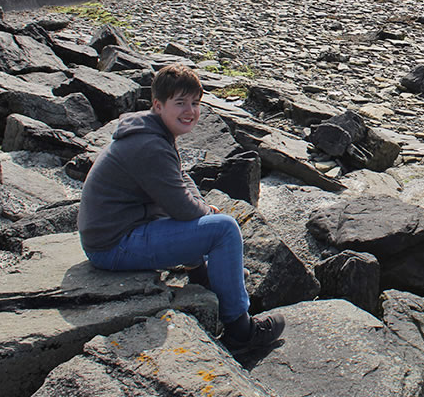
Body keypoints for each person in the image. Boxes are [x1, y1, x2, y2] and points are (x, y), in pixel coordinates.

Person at [77, 63, 284, 353]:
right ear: (158, 105)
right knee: (224, 229)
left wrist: (200, 209)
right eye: (180, 103)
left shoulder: (151, 130)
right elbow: (182, 209)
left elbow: (180, 178)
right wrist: (205, 213)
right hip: (113, 245)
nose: (190, 111)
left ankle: (204, 278)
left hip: (119, 232)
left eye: (195, 103)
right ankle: (240, 330)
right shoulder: (149, 145)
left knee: (205, 221)